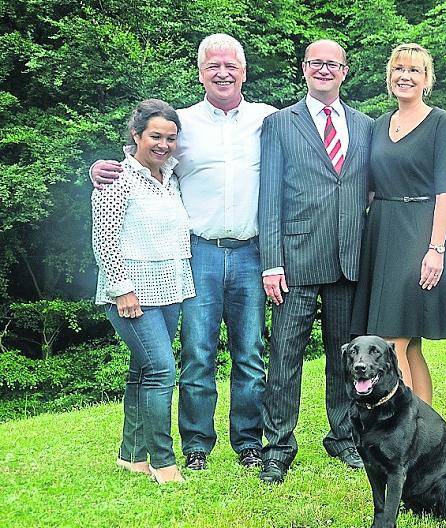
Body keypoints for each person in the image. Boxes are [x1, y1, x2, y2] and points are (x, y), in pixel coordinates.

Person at [91, 34, 275, 471]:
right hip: (200, 253)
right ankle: (196, 445)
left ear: (244, 71)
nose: (223, 72)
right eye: (213, 65)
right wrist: (99, 169)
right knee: (198, 352)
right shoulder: (183, 123)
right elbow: (145, 159)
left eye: (231, 64)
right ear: (201, 72)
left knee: (250, 353)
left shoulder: (268, 119)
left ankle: (248, 442)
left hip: (252, 252)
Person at [257, 39, 373, 483]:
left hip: (347, 261)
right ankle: (279, 446)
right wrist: (272, 262)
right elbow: (269, 198)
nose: (324, 70)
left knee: (346, 358)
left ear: (345, 71)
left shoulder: (364, 125)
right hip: (296, 261)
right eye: (316, 63)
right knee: (285, 357)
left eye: (333, 64)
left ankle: (344, 437)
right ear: (303, 69)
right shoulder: (279, 124)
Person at [350, 43, 446, 405]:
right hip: (382, 231)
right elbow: (370, 185)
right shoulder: (380, 124)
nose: (404, 76)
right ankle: (423, 431)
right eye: (398, 69)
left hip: (418, 234)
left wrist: (436, 249)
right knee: (408, 345)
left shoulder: (442, 124)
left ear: (427, 79)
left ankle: (403, 431)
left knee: (392, 341)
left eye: (414, 70)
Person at [92, 99, 192, 484]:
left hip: (169, 288)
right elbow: (104, 239)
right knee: (162, 371)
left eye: (170, 137)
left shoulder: (172, 177)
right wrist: (122, 290)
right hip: (132, 293)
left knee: (143, 370)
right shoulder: (116, 177)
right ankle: (163, 462)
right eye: (155, 136)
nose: (163, 144)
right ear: (136, 135)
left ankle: (131, 455)